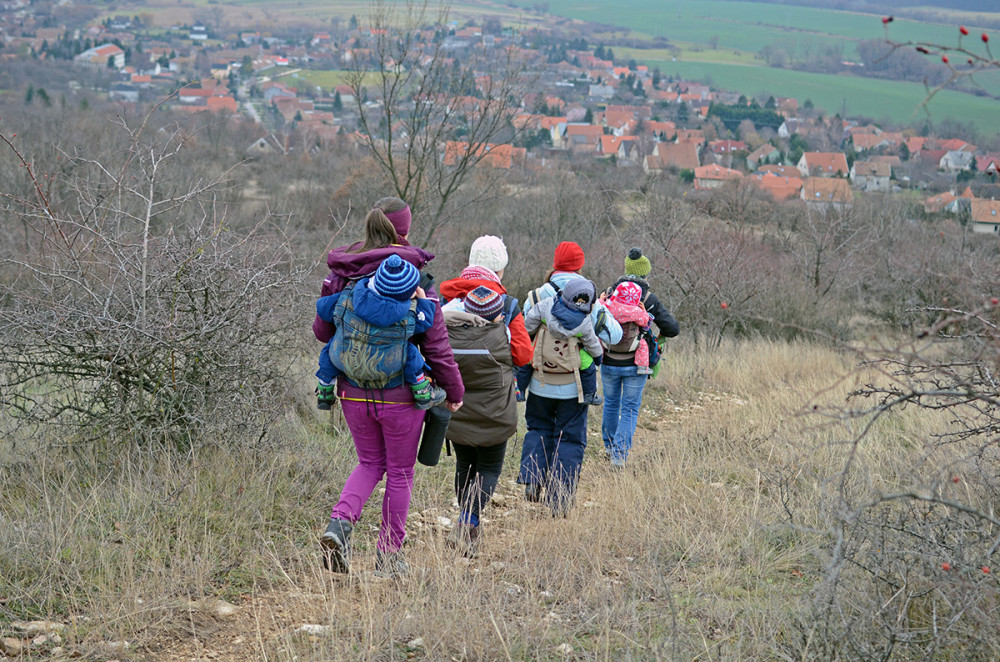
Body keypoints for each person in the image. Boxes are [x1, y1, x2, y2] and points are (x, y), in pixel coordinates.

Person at [315, 197, 464, 579]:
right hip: (401, 394)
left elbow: (321, 331)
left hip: (351, 388)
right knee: (399, 472)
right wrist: (454, 391)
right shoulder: (416, 279)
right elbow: (436, 344)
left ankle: (339, 523)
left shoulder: (345, 272)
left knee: (369, 463)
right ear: (405, 230)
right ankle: (388, 555)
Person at [438, 236, 532, 556]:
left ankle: (464, 522)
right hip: (495, 405)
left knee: (465, 463)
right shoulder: (507, 307)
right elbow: (522, 355)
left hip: (457, 403)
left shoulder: (446, 304)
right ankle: (468, 522)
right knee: (489, 467)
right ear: (500, 269)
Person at [516, 241, 622, 517]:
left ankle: (532, 477)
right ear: (579, 265)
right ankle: (559, 501)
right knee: (571, 439)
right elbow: (615, 336)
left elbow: (521, 333)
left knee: (537, 428)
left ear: (555, 263)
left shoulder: (536, 297)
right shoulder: (588, 298)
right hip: (574, 387)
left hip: (539, 381)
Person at [314, 254, 446, 411]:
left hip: (345, 360)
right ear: (407, 294)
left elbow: (322, 307)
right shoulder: (407, 316)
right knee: (411, 352)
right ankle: (422, 391)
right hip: (390, 366)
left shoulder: (348, 296)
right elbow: (425, 323)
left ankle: (325, 389)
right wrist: (423, 299)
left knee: (331, 348)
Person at [600, 247, 679, 469]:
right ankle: (619, 456)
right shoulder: (646, 297)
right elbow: (672, 328)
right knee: (630, 408)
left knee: (611, 404)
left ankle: (608, 447)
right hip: (636, 363)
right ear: (645, 273)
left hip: (608, 359)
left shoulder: (609, 293)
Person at [522, 278, 605, 405]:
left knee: (526, 359)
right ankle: (589, 394)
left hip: (541, 350)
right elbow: (591, 343)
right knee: (588, 365)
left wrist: (530, 335)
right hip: (571, 356)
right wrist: (598, 356)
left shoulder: (546, 305)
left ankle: (520, 390)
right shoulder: (584, 322)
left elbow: (530, 322)